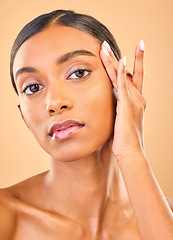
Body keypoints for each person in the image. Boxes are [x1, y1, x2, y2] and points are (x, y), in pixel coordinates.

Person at [0, 9, 173, 239]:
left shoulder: (165, 218)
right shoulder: (6, 215)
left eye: (78, 72)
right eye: (33, 87)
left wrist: (132, 153)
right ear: (24, 117)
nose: (54, 103)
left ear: (120, 86)